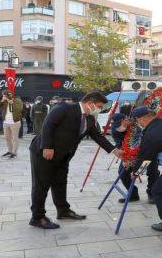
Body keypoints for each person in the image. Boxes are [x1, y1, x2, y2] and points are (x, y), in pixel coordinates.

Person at [28, 91, 124, 229]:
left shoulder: (90, 119)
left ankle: (63, 210)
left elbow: (98, 136)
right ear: (90, 103)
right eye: (99, 106)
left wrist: (115, 150)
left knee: (60, 182)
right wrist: (47, 147)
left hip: (63, 156)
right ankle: (37, 217)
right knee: (41, 185)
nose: (100, 109)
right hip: (44, 153)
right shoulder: (64, 108)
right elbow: (48, 125)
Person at [0, 90, 23, 159]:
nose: (4, 97)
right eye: (3, 96)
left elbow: (19, 109)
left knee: (14, 138)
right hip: (6, 122)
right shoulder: (4, 101)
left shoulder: (17, 100)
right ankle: (10, 151)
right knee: (7, 138)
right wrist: (2, 101)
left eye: (5, 95)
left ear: (9, 95)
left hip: (15, 123)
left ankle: (14, 153)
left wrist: (10, 102)